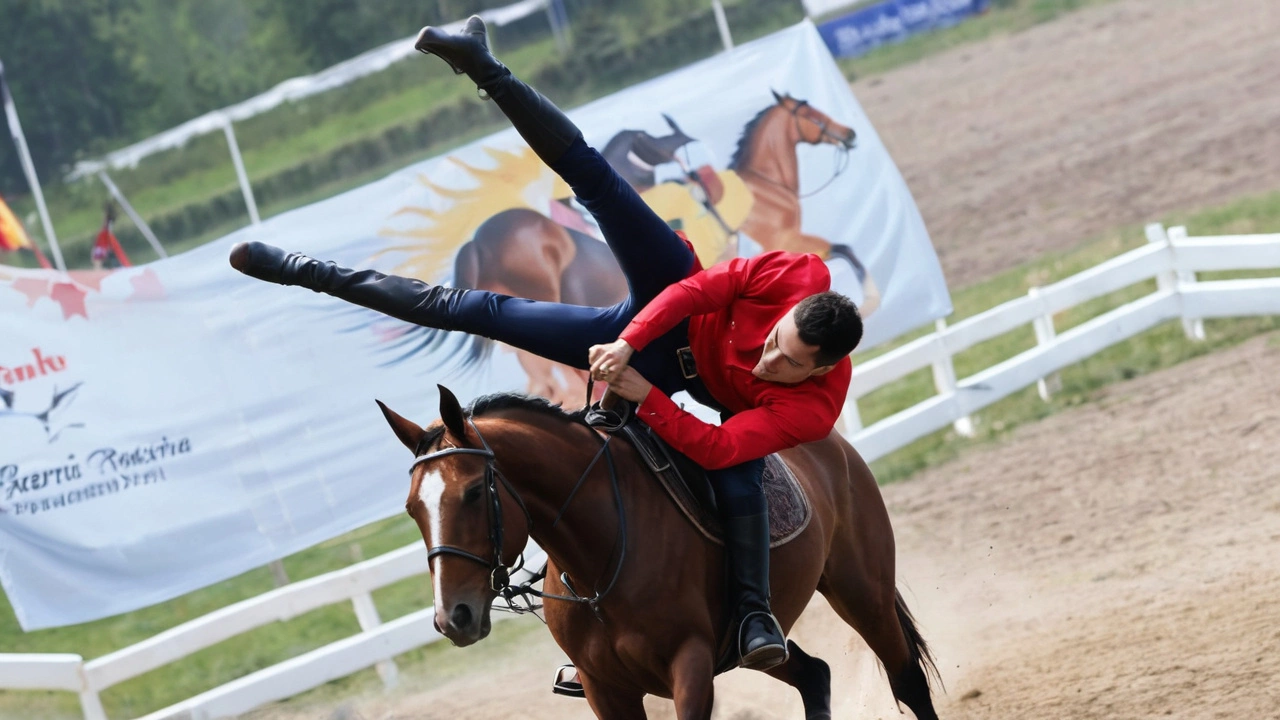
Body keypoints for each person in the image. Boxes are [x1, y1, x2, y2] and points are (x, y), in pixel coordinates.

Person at [228, 16, 863, 679]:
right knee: (551, 230)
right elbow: (701, 291)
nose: (768, 360)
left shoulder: (814, 410)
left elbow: (719, 446)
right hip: (663, 306)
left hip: (684, 388)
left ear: (820, 368)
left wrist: (645, 395)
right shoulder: (798, 275)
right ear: (790, 313)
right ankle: (317, 254)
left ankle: (749, 611)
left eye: (787, 364)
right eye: (774, 342)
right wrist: (628, 344)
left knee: (724, 480)